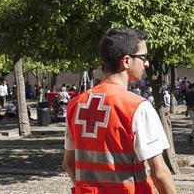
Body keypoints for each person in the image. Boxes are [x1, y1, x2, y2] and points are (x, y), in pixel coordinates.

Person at [62, 27, 176, 194]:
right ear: (127, 61)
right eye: (143, 57)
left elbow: (69, 164)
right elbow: (160, 173)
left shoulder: (75, 104)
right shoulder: (138, 107)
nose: (147, 63)